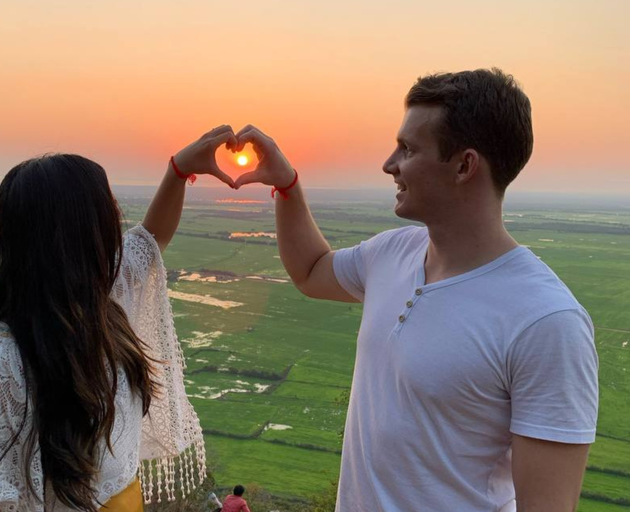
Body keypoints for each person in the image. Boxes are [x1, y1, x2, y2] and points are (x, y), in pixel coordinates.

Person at [233, 69, 599, 511]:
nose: (389, 164)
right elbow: (312, 271)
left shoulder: (545, 321)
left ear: (464, 165)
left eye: (407, 149)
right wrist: (286, 184)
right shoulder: (392, 253)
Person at [0, 125, 238, 511]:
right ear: (79, 234)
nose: (115, 221)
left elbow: (151, 240)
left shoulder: (100, 299)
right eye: (107, 211)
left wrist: (178, 171)